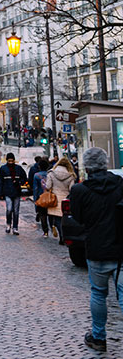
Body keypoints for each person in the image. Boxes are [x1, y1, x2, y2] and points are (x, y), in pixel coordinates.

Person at [68, 147, 123, 353]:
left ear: (86, 166)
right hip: (120, 247)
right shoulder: (120, 185)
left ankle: (98, 337)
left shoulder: (80, 190)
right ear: (105, 163)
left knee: (99, 293)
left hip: (97, 249)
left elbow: (79, 218)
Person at [0, 152, 27, 235]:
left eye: (12, 161)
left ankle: (15, 227)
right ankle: (8, 224)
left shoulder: (18, 169)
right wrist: (0, 192)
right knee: (9, 209)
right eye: (9, 161)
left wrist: (20, 182)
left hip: (16, 192)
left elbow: (24, 178)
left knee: (16, 211)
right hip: (7, 191)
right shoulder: (3, 169)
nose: (11, 163)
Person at [46, 155, 77, 242]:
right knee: (64, 218)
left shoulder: (51, 173)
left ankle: (61, 235)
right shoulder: (71, 175)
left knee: (56, 219)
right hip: (65, 198)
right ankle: (64, 235)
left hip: (54, 198)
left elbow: (48, 186)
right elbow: (72, 189)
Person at [31, 157, 50, 238]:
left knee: (43, 215)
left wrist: (35, 200)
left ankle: (45, 231)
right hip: (49, 196)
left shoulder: (36, 175)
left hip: (40, 197)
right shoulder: (50, 174)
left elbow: (35, 188)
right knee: (50, 213)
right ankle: (52, 226)